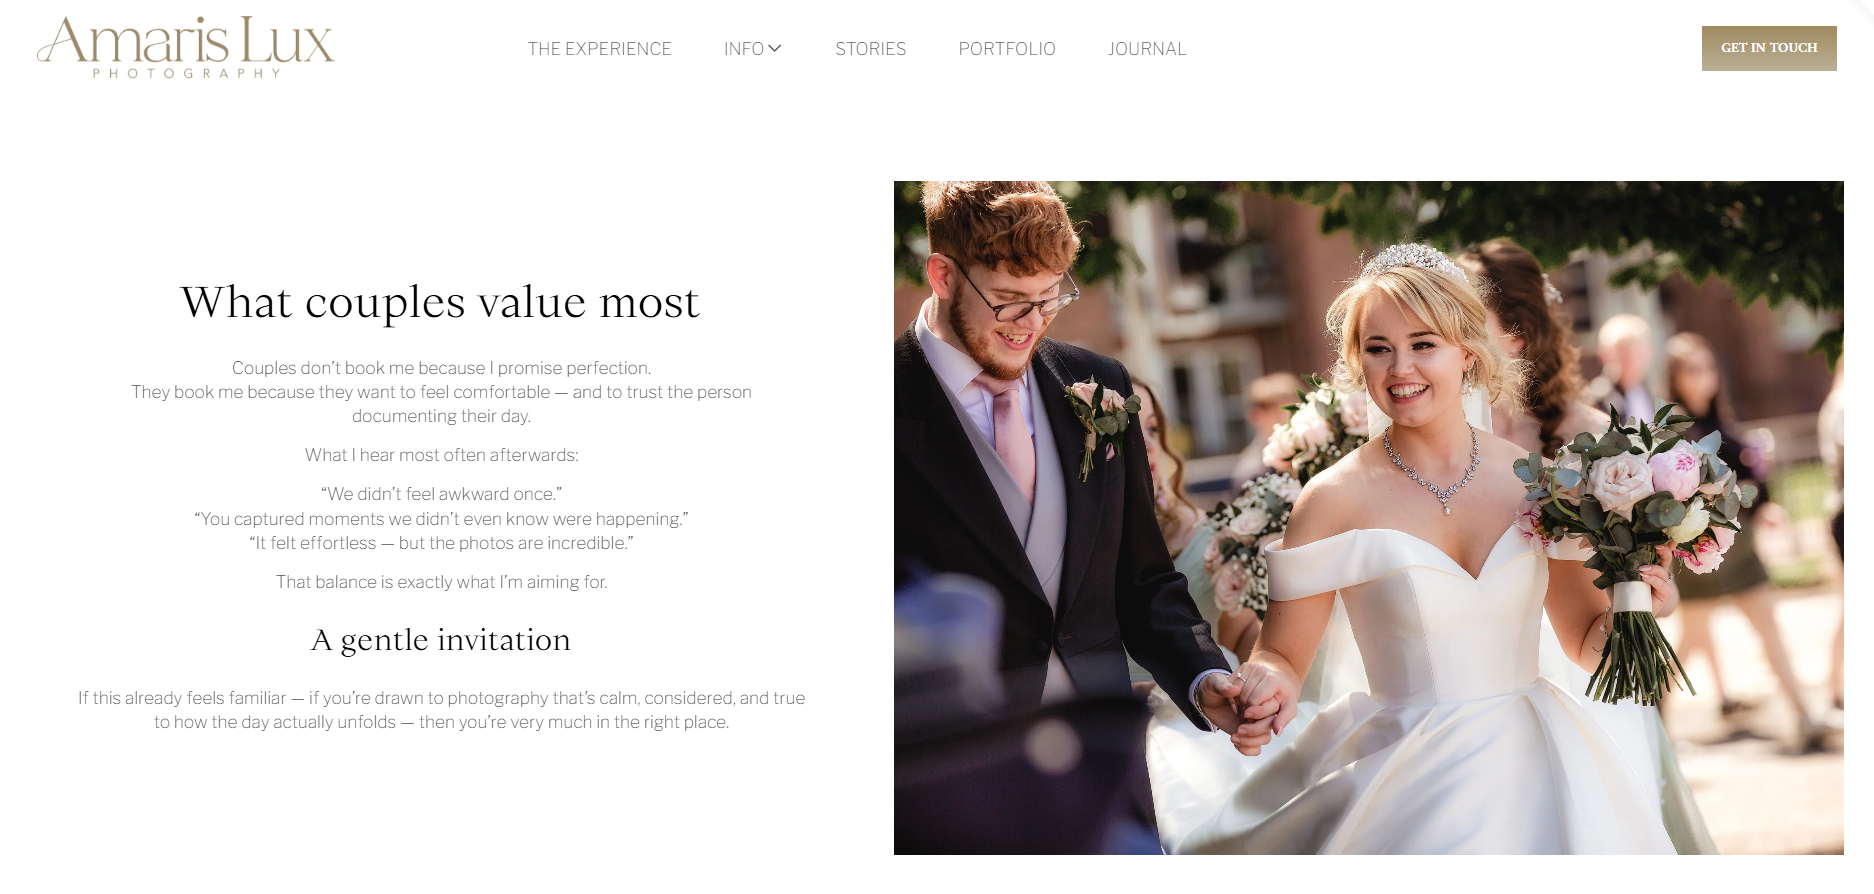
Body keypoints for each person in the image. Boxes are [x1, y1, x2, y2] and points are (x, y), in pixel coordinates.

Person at [1179, 244, 1681, 854]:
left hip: (1539, 764)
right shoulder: (1331, 500)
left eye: (1423, 344)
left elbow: (1583, 642)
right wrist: (1263, 685)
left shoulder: (1540, 481)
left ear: (1467, 353)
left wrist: (1638, 603)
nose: (1400, 368)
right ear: (1356, 362)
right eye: (1378, 348)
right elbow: (1282, 652)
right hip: (1404, 773)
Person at [893, 181, 1243, 742]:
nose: (1031, 323)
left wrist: (1202, 675)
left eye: (1051, 296)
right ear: (943, 276)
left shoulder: (1100, 383)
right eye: (1008, 298)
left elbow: (1144, 579)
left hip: (1106, 757)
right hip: (950, 763)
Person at [1460, 241, 1714, 853]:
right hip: (1470, 670)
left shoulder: (1586, 436)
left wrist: (1655, 596)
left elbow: (1643, 575)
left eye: (1467, 320)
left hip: (1583, 676)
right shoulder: (1436, 440)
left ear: (1515, 334)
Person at [1661, 332, 1827, 751]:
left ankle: (1805, 715)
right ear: (1675, 376)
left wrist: (1763, 503)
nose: (1703, 378)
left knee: (1767, 626)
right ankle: (1653, 724)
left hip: (1738, 543)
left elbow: (1742, 478)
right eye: (1692, 369)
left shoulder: (1718, 419)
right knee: (1690, 641)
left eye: (1707, 367)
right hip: (1701, 546)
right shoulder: (1676, 428)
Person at [1231, 373, 1307, 489]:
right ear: (1256, 416)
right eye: (1279, 412)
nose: (1289, 419)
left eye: (1295, 409)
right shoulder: (1252, 472)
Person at [1583, 313, 1657, 424]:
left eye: (1638, 352)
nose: (1633, 361)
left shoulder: (1648, 396)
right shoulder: (1596, 400)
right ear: (1604, 355)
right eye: (1624, 353)